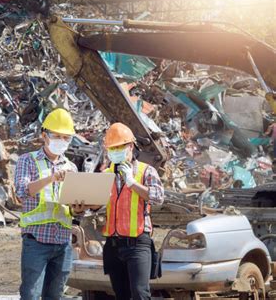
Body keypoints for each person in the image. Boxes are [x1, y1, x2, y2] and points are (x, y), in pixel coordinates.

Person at [14, 108, 85, 300]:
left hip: (63, 242)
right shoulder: (27, 161)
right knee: (30, 295)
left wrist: (78, 208)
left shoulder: (71, 167)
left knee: (55, 296)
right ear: (44, 135)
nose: (61, 141)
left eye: (66, 138)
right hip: (36, 241)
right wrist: (51, 178)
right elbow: (21, 193)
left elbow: (73, 209)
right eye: (57, 136)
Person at [101, 123, 164, 300]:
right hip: (113, 244)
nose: (115, 151)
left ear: (130, 146)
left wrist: (132, 183)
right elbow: (98, 206)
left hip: (137, 243)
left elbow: (158, 197)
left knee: (140, 293)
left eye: (119, 147)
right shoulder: (106, 174)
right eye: (112, 148)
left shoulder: (146, 171)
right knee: (121, 295)